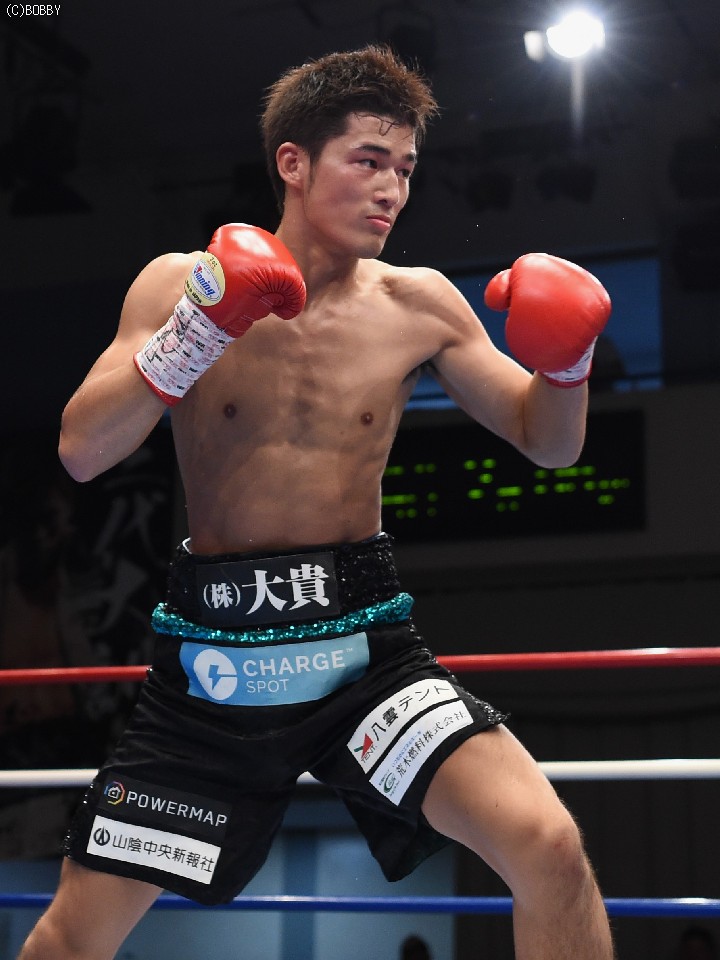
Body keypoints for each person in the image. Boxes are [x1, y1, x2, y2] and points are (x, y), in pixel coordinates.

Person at [18, 45, 615, 960]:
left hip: (363, 658)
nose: (392, 190)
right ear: (293, 163)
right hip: (215, 667)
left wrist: (567, 367)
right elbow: (82, 450)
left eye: (405, 169)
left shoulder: (421, 304)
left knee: (549, 846)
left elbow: (549, 441)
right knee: (72, 937)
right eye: (368, 161)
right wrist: (197, 333)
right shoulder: (181, 283)